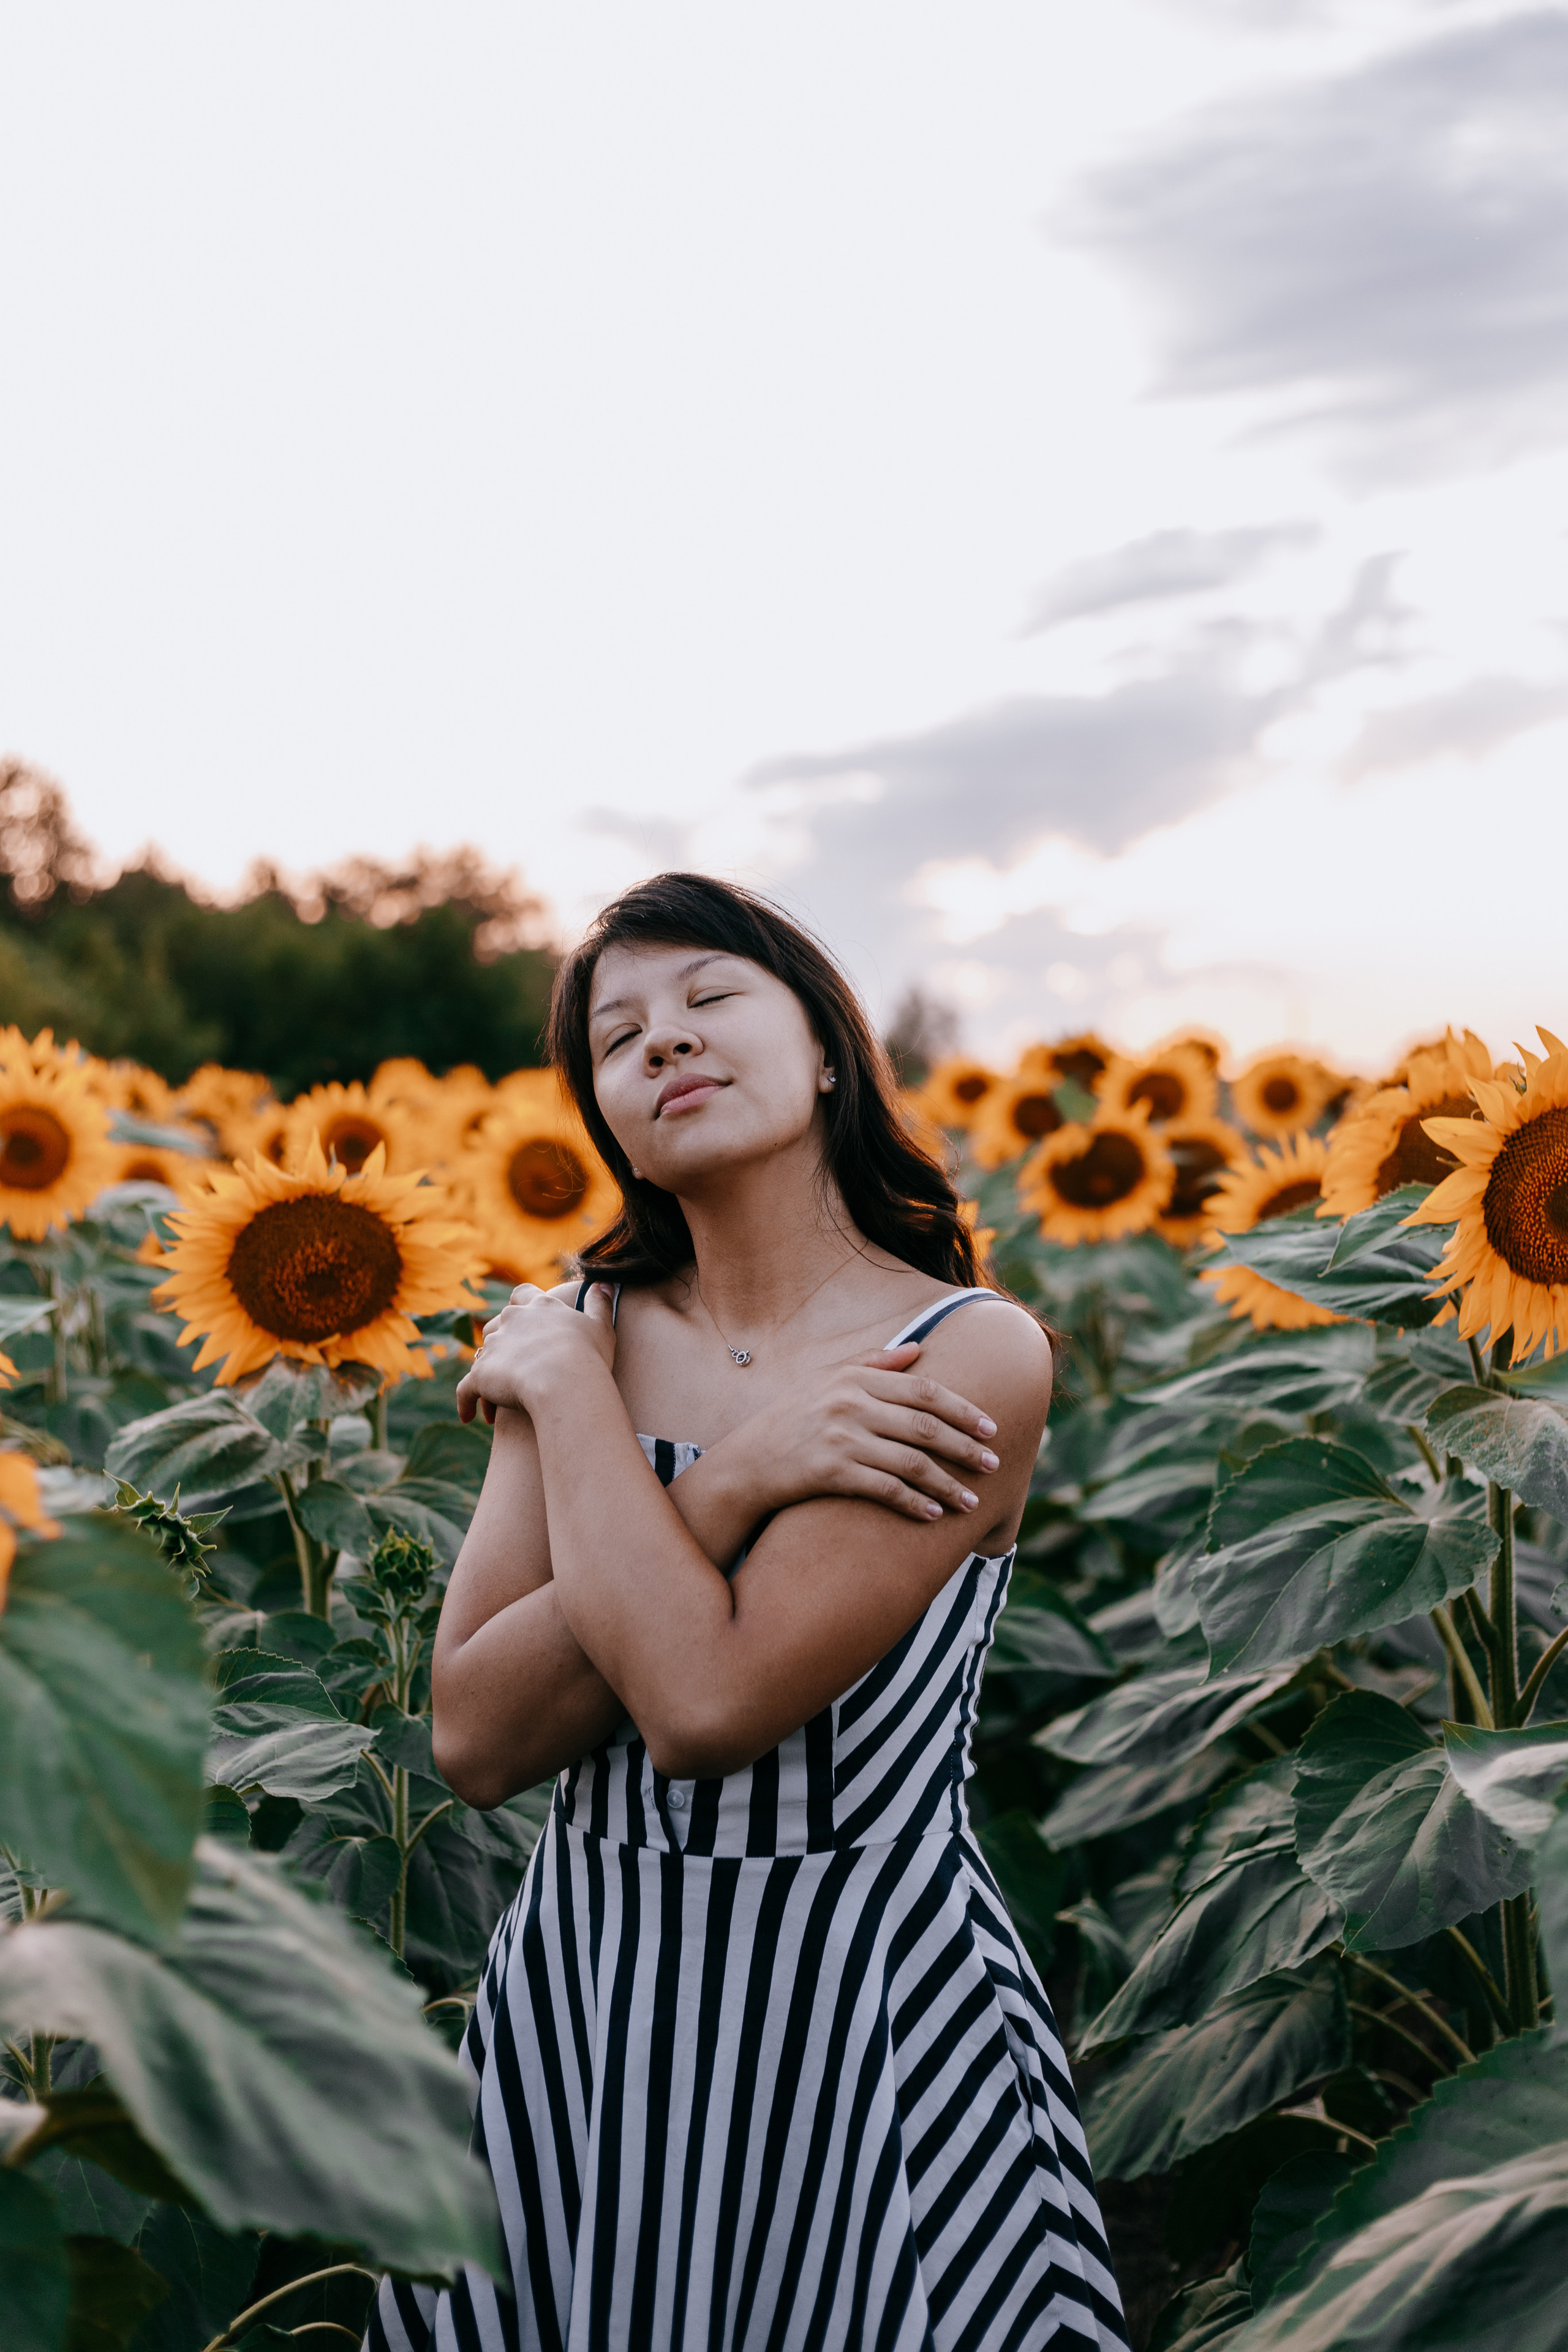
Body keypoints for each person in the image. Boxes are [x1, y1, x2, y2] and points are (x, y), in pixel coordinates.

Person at [367, 874, 1127, 2352]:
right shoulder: (576, 1348)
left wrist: (595, 1429)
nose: (663, 1043)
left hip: (855, 2010)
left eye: (710, 1000)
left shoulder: (962, 1356)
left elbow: (704, 1704)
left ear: (830, 1046)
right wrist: (731, 1479)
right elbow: (474, 1734)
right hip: (582, 2004)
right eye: (617, 1036)